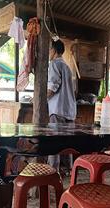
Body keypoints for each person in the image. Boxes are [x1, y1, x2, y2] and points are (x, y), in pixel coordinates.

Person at [47, 39, 77, 172]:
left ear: (54, 50)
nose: (48, 52)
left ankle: (53, 172)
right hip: (69, 110)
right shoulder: (67, 67)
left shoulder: (54, 64)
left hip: (57, 110)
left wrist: (40, 98)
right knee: (67, 144)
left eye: (49, 49)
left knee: (54, 144)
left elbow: (53, 87)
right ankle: (69, 171)